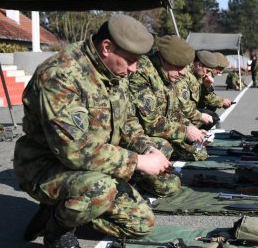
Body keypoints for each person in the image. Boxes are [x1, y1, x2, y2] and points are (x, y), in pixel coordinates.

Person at [14, 15, 173, 247]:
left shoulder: (113, 70)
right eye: (130, 60)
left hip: (93, 165)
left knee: (141, 225)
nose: (134, 69)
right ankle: (57, 230)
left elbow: (127, 120)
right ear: (107, 47)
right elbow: (74, 150)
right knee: (100, 189)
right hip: (45, 167)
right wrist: (137, 161)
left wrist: (147, 149)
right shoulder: (61, 74)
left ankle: (66, 207)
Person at [129, 35, 208, 161]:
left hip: (163, 130)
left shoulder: (168, 75)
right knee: (164, 148)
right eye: (179, 66)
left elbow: (175, 112)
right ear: (163, 60)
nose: (183, 72)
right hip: (141, 134)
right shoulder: (142, 74)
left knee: (199, 152)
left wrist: (190, 127)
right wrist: (185, 131)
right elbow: (150, 124)